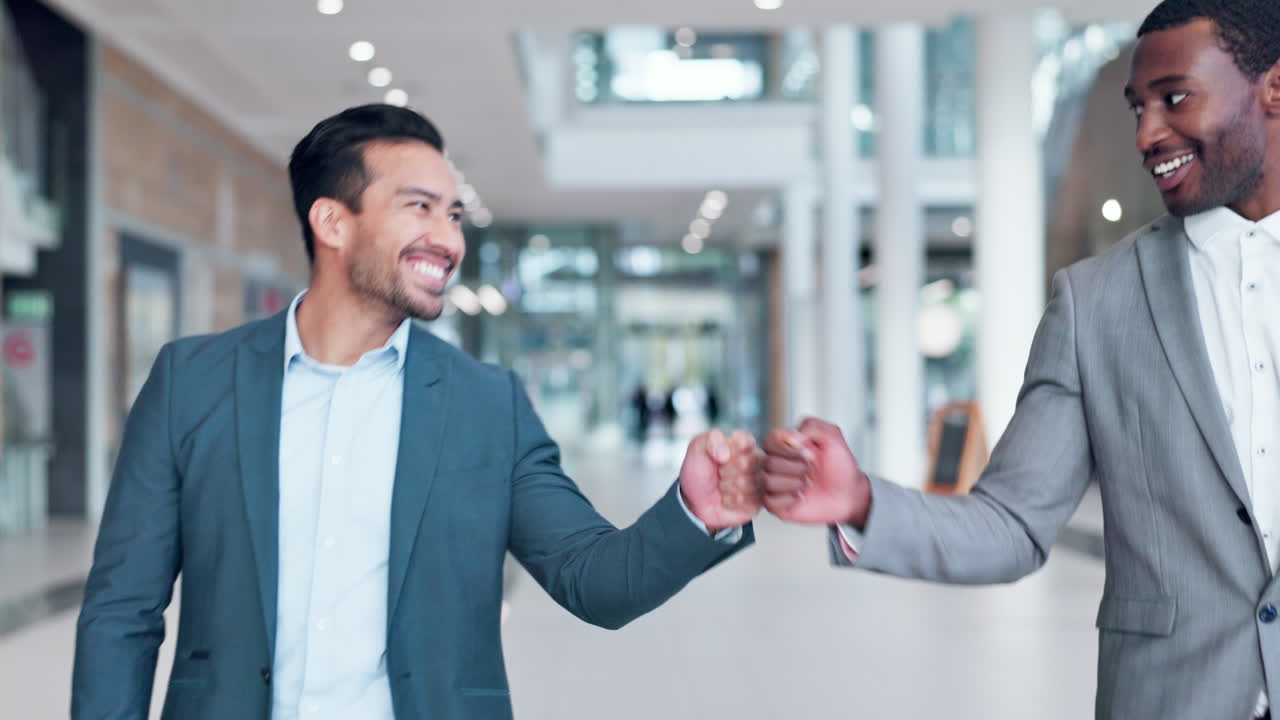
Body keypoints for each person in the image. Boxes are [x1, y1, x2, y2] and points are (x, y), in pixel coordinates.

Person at [71, 104, 761, 720]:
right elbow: (122, 611)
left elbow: (596, 580)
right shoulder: (192, 382)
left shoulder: (487, 404)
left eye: (454, 215)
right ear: (332, 221)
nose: (449, 240)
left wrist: (696, 513)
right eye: (420, 207)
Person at [743, 2, 1280, 718]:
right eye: (1137, 108)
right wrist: (861, 500)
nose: (1147, 134)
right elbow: (1012, 526)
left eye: (1175, 98)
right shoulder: (1096, 301)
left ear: (1273, 88)